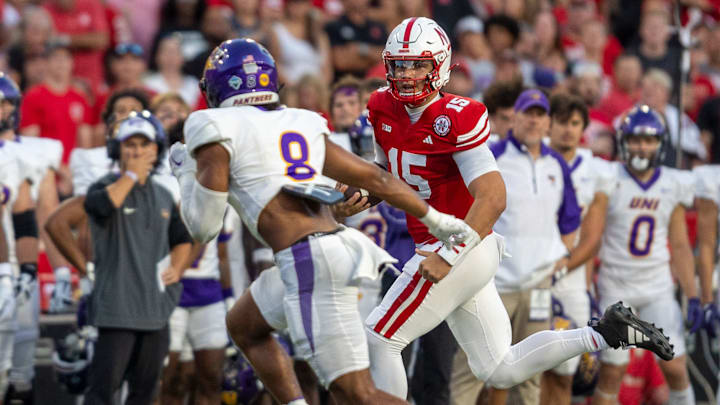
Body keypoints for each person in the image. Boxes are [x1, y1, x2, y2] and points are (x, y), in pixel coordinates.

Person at [362, 16, 673, 401]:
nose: (407, 74)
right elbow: (384, 171)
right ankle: (605, 333)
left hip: (461, 246)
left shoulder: (458, 115)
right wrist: (361, 192)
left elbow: (493, 198)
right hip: (462, 253)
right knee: (499, 368)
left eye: (418, 64)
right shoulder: (380, 105)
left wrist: (448, 256)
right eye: (400, 64)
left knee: (381, 336)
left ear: (439, 65)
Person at [169, 37, 474, 405]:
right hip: (330, 247)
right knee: (244, 325)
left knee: (356, 393)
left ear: (216, 86)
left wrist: (186, 174)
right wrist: (438, 221)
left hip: (307, 260)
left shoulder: (212, 125)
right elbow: (376, 178)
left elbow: (204, 227)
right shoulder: (299, 120)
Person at [577, 106, 702, 405]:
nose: (641, 147)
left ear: (660, 143)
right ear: (623, 141)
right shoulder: (609, 177)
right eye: (634, 139)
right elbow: (591, 238)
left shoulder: (672, 183)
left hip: (657, 286)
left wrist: (693, 295)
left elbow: (681, 245)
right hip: (616, 286)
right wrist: (587, 289)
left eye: (648, 140)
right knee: (611, 371)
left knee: (675, 368)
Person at [82, 111, 192, 404]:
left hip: (155, 311)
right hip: (116, 310)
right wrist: (131, 174)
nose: (137, 151)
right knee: (103, 393)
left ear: (156, 148)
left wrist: (177, 269)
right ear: (117, 150)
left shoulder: (163, 194)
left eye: (144, 145)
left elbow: (183, 239)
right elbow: (104, 205)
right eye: (130, 145)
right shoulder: (100, 186)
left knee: (145, 394)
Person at [540, 94, 599, 405]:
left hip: (571, 280)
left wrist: (563, 267)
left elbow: (592, 238)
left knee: (566, 374)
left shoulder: (596, 169)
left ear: (583, 128)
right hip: (532, 275)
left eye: (574, 123)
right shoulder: (532, 159)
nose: (567, 129)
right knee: (528, 371)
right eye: (561, 122)